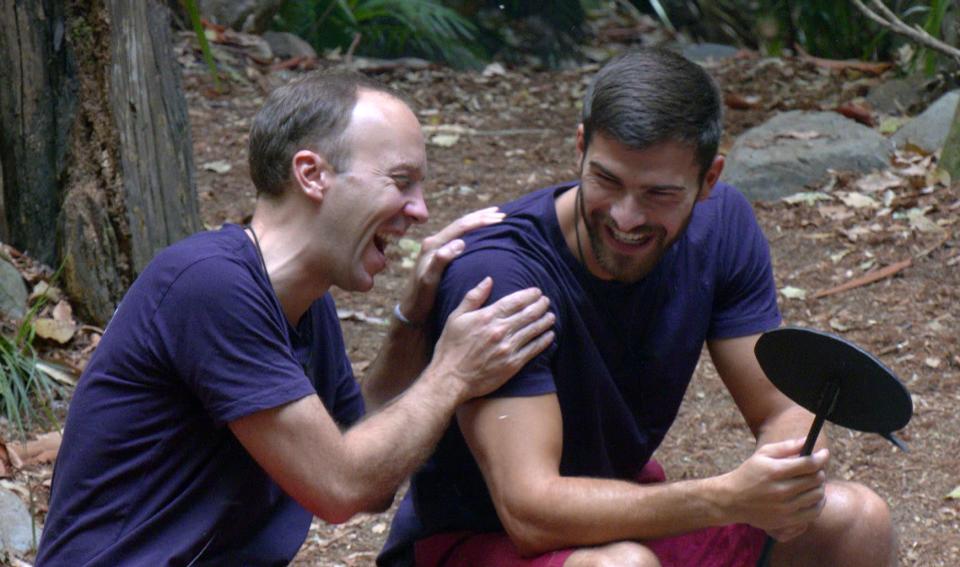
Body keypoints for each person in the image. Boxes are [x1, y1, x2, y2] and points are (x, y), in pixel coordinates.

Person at [376, 48, 895, 567]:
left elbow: (783, 407)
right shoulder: (502, 274)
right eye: (608, 181)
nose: (627, 217)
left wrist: (782, 480)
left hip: (620, 527)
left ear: (708, 181)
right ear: (581, 149)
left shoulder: (722, 228)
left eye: (659, 194)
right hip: (473, 545)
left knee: (856, 521)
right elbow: (529, 514)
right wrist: (728, 497)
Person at [35, 73, 556, 565]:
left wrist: (412, 325)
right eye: (401, 182)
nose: (420, 210)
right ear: (312, 174)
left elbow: (363, 462)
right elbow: (341, 486)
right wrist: (452, 375)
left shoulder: (307, 304)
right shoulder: (209, 285)